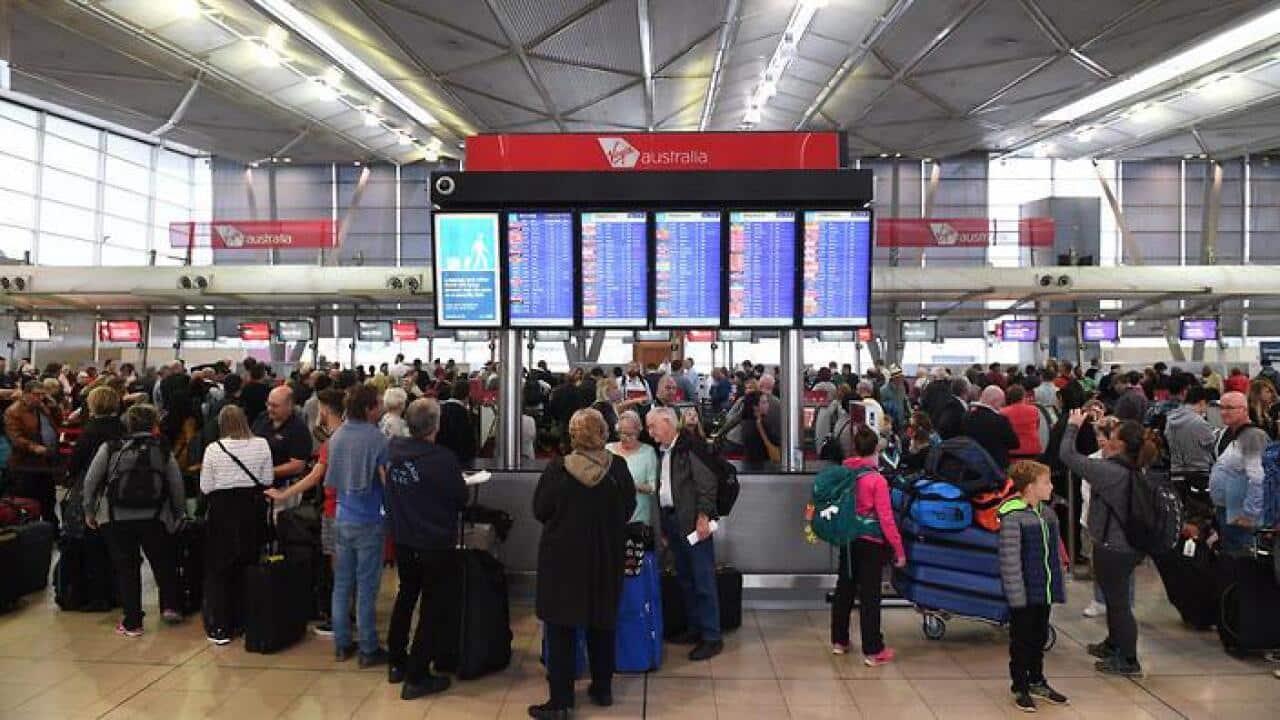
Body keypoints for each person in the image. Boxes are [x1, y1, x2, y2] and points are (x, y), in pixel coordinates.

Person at [531, 409, 636, 719]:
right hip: (605, 557)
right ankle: (602, 689)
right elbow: (628, 508)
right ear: (604, 433)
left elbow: (540, 510)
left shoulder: (558, 469)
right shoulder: (618, 468)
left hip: (562, 561)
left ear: (573, 435)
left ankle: (561, 701)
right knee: (602, 623)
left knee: (561, 629)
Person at [1058, 410, 1153, 676]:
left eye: (1111, 436)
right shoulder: (1132, 466)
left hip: (1115, 546)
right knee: (1114, 598)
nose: (1106, 439)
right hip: (1124, 544)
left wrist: (1072, 426)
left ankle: (1128, 659)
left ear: (1119, 444)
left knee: (1118, 602)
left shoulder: (1109, 471)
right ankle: (1113, 644)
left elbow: (1067, 456)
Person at [384, 398, 468, 700]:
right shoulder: (442, 459)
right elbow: (460, 498)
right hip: (434, 542)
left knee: (407, 595)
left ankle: (397, 661)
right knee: (433, 606)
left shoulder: (394, 451)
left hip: (403, 538)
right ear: (436, 425)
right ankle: (417, 675)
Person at [82, 404, 187, 637]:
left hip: (116, 517)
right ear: (154, 424)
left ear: (127, 424)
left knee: (126, 568)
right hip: (156, 516)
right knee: (163, 562)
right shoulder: (162, 448)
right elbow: (176, 483)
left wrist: (89, 511)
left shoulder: (111, 447)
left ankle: (133, 622)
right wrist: (179, 513)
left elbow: (91, 481)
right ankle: (171, 606)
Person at [264, 388, 345, 634]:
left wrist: (283, 494)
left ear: (325, 410)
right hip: (357, 512)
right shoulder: (356, 436)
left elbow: (314, 476)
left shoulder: (332, 442)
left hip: (334, 509)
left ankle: (337, 621)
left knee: (337, 568)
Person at [645, 406, 722, 661]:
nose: (650, 433)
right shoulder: (666, 450)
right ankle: (695, 627)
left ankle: (712, 636)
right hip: (673, 521)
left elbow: (707, 484)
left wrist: (703, 516)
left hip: (693, 523)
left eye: (653, 426)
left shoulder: (690, 447)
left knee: (703, 579)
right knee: (686, 578)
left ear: (668, 422)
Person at [998, 459, 1070, 713]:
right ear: (1030, 487)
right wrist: (1016, 595)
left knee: (1039, 636)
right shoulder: (1013, 517)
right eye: (1046, 482)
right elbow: (1010, 559)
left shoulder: (1048, 514)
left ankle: (1037, 679)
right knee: (1022, 639)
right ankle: (1020, 685)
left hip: (1043, 589)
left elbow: (1055, 552)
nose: (1051, 486)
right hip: (1024, 591)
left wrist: (1058, 580)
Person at [830, 425, 905, 665]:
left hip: (848, 538)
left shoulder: (844, 473)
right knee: (870, 596)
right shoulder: (877, 480)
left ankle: (839, 641)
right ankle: (873, 650)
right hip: (871, 543)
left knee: (845, 588)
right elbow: (886, 519)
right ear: (875, 451)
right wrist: (899, 550)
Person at [327, 385, 391, 666]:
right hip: (369, 519)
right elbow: (386, 478)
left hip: (342, 516)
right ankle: (368, 647)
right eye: (377, 404)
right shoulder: (377, 439)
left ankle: (342, 643)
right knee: (366, 587)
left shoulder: (337, 436)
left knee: (342, 584)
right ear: (368, 409)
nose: (381, 408)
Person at [199, 405, 274, 645]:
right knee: (248, 565)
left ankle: (221, 626)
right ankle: (246, 621)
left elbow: (205, 486)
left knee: (219, 570)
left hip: (222, 513)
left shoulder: (214, 449)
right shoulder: (261, 444)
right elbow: (267, 479)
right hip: (251, 511)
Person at [1209, 391, 1268, 556]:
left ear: (1244, 410)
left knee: (1242, 559)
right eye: (1222, 408)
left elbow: (1258, 478)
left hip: (1241, 514)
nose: (1224, 412)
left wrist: (1250, 513)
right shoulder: (1227, 434)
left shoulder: (1253, 436)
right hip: (1226, 511)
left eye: (1230, 408)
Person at [4, 380, 60, 531]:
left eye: (42, 394)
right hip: (25, 465)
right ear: (25, 394)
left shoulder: (42, 407)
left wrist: (53, 406)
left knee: (49, 500)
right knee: (28, 503)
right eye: (36, 394)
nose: (40, 398)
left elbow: (57, 422)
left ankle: (53, 532)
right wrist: (34, 447)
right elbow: (15, 438)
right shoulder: (13, 412)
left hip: (45, 463)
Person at [251, 386, 312, 504]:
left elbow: (297, 465)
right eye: (268, 404)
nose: (270, 409)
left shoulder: (299, 429)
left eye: (275, 406)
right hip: (258, 486)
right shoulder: (262, 417)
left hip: (283, 490)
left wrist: (267, 471)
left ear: (289, 406)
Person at [607, 410, 659, 528]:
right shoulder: (608, 450)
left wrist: (631, 485)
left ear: (639, 431)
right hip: (612, 517)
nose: (627, 438)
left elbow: (654, 487)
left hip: (639, 518)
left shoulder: (648, 452)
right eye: (623, 433)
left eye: (631, 434)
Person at [963, 385, 1020, 469]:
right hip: (996, 465)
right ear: (995, 401)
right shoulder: (1000, 420)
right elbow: (1014, 443)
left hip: (972, 464)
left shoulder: (967, 417)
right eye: (1001, 403)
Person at [438, 380, 477, 464]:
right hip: (459, 460)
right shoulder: (462, 413)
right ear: (467, 395)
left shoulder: (441, 409)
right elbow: (467, 441)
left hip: (442, 457)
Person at [1002, 385, 1042, 463]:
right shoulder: (1034, 410)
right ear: (1023, 396)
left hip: (1012, 451)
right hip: (1032, 450)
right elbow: (1037, 427)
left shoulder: (1003, 412)